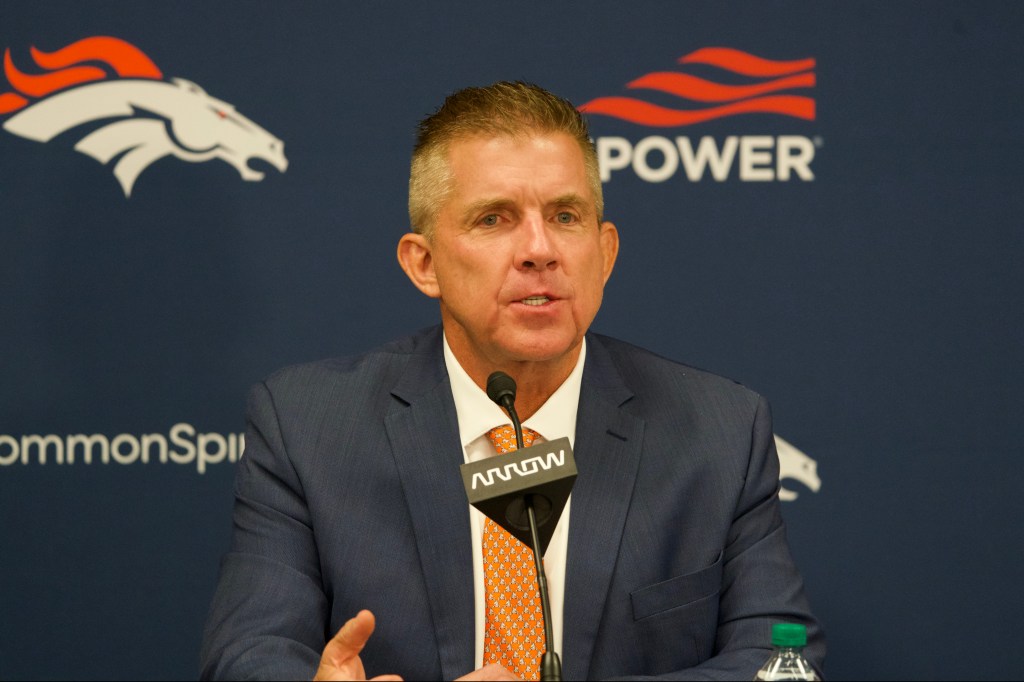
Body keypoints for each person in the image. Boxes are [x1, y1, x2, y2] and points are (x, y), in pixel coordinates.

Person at [199, 81, 825, 681]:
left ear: (605, 253)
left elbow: (780, 663)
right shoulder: (308, 427)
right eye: (494, 219)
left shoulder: (719, 431)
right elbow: (248, 654)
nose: (539, 249)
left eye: (565, 216)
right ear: (424, 263)